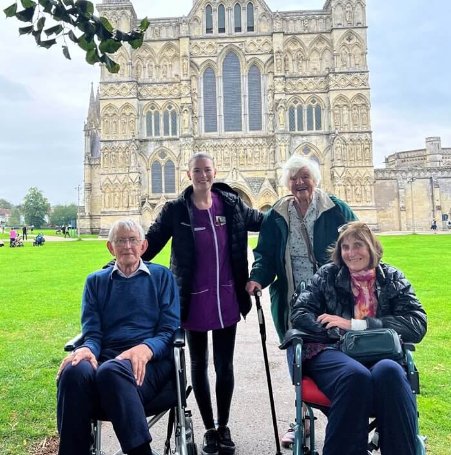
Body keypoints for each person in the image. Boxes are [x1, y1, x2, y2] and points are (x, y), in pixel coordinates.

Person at [142, 152, 263, 455]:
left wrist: (292, 207)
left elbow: (263, 222)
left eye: (207, 170)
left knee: (225, 365)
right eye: (197, 171)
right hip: (192, 300)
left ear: (214, 172)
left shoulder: (232, 204)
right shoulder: (175, 210)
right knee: (198, 363)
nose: (203, 175)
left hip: (227, 298)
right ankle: (209, 428)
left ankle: (224, 426)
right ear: (189, 174)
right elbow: (151, 242)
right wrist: (121, 260)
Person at [245, 154, 357, 447]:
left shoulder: (335, 208)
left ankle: (342, 419)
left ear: (315, 180)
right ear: (287, 183)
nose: (299, 182)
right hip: (296, 304)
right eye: (294, 178)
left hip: (334, 300)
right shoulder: (278, 213)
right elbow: (265, 255)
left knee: (339, 358)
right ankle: (303, 420)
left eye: (305, 176)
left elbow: (359, 242)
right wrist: (257, 277)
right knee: (299, 361)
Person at [290, 221, 427, 455]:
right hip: (331, 351)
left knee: (390, 373)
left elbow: (416, 323)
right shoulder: (327, 275)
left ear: (372, 247)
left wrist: (355, 326)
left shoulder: (392, 278)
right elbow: (300, 312)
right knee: (355, 375)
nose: (351, 253)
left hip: (381, 352)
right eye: (345, 247)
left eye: (358, 245)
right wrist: (339, 334)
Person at [56, 219, 180, 455]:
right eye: (120, 241)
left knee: (110, 370)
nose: (127, 246)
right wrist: (87, 349)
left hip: (150, 364)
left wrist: (145, 348)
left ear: (143, 246)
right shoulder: (95, 282)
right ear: (110, 248)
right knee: (74, 370)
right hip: (107, 359)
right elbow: (92, 333)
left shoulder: (162, 277)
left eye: (133, 240)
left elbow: (169, 330)